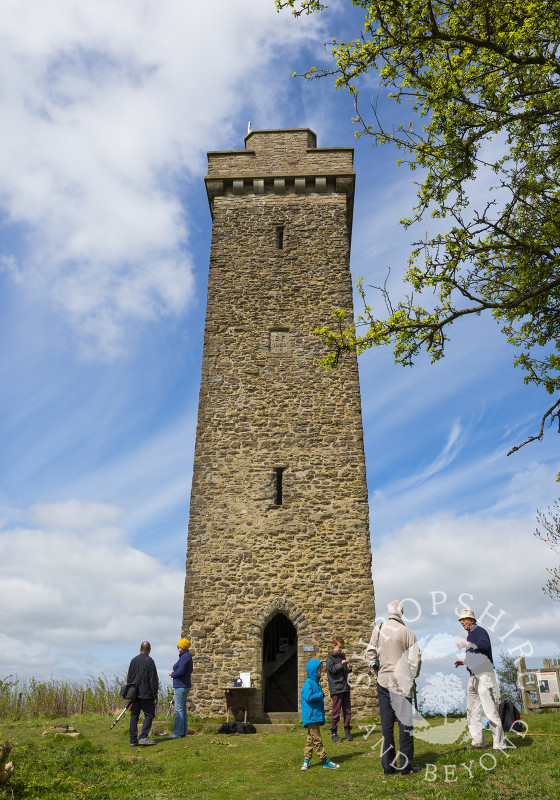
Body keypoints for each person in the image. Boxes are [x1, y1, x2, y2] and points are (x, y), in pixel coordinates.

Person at [365, 600, 422, 775]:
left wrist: (377, 674)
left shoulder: (379, 629)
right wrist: (411, 677)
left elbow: (370, 654)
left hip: (384, 681)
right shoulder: (408, 633)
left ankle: (388, 767)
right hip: (402, 683)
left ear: (389, 612)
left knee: (387, 726)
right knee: (405, 726)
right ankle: (405, 767)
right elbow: (415, 660)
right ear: (401, 613)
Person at [454, 608, 506, 750]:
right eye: (460, 620)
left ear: (472, 620)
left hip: (484, 675)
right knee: (472, 710)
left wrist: (468, 644)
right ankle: (478, 742)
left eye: (464, 619)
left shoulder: (480, 631)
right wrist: (463, 661)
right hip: (473, 676)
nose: (462, 622)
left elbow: (485, 646)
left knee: (489, 710)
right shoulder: (470, 635)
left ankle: (500, 745)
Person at [300, 659, 340, 771]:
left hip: (314, 716)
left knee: (310, 740)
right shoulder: (309, 683)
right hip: (311, 717)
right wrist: (321, 694)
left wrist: (321, 693)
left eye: (321, 669)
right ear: (313, 670)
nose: (320, 671)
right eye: (319, 669)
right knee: (317, 740)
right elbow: (308, 697)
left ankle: (306, 761)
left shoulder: (315, 683)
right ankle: (325, 760)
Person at [127, 641, 159, 747]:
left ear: (140, 649)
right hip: (147, 694)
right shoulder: (150, 661)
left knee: (134, 717)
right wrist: (155, 695)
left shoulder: (133, 661)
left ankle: (133, 740)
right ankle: (143, 737)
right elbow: (153, 680)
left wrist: (130, 693)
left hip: (135, 694)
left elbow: (129, 679)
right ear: (149, 650)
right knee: (149, 715)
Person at [326, 636, 353, 743]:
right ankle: (334, 733)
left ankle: (347, 731)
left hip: (345, 687)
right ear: (334, 645)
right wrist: (341, 664)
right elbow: (331, 670)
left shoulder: (342, 656)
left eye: (342, 647)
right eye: (339, 647)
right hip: (336, 688)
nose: (341, 649)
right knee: (336, 712)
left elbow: (345, 672)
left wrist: (349, 669)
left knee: (347, 711)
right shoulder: (330, 658)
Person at [167, 637, 193, 739]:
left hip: (180, 686)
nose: (178, 648)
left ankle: (177, 733)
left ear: (181, 647)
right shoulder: (187, 656)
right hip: (185, 685)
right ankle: (183, 732)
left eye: (178, 646)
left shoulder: (184, 657)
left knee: (178, 709)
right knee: (182, 710)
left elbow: (181, 671)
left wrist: (172, 674)